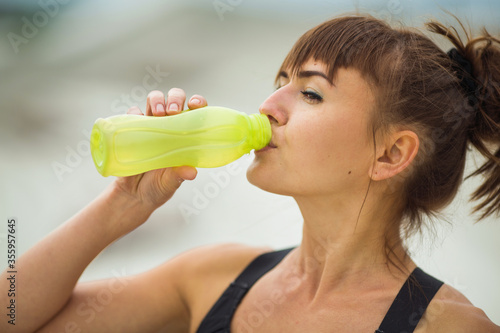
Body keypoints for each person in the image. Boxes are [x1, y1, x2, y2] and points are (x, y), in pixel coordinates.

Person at [2, 14, 500, 333]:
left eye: (310, 93)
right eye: (278, 82)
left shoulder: (448, 325)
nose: (268, 106)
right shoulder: (212, 279)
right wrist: (121, 206)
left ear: (391, 154)